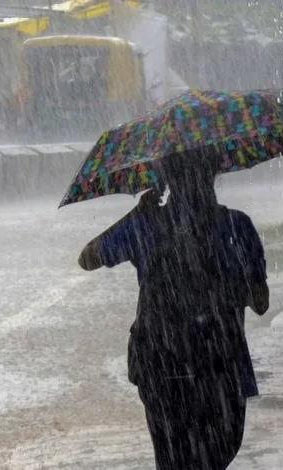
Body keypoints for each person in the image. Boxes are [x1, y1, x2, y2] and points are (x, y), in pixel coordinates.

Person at [78, 150, 269, 470]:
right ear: (213, 176)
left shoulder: (146, 224)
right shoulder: (237, 226)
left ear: (164, 181)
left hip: (161, 366)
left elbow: (88, 258)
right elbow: (261, 304)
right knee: (215, 456)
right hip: (220, 367)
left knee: (174, 460)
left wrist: (135, 217)